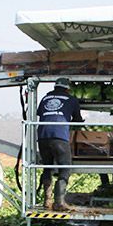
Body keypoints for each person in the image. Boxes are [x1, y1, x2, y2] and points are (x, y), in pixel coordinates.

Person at [36, 77, 84, 210]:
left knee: (47, 167)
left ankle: (47, 201)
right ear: (68, 88)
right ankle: (59, 202)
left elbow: (40, 113)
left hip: (42, 135)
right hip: (59, 136)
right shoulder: (71, 99)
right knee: (65, 168)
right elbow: (78, 120)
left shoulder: (46, 98)